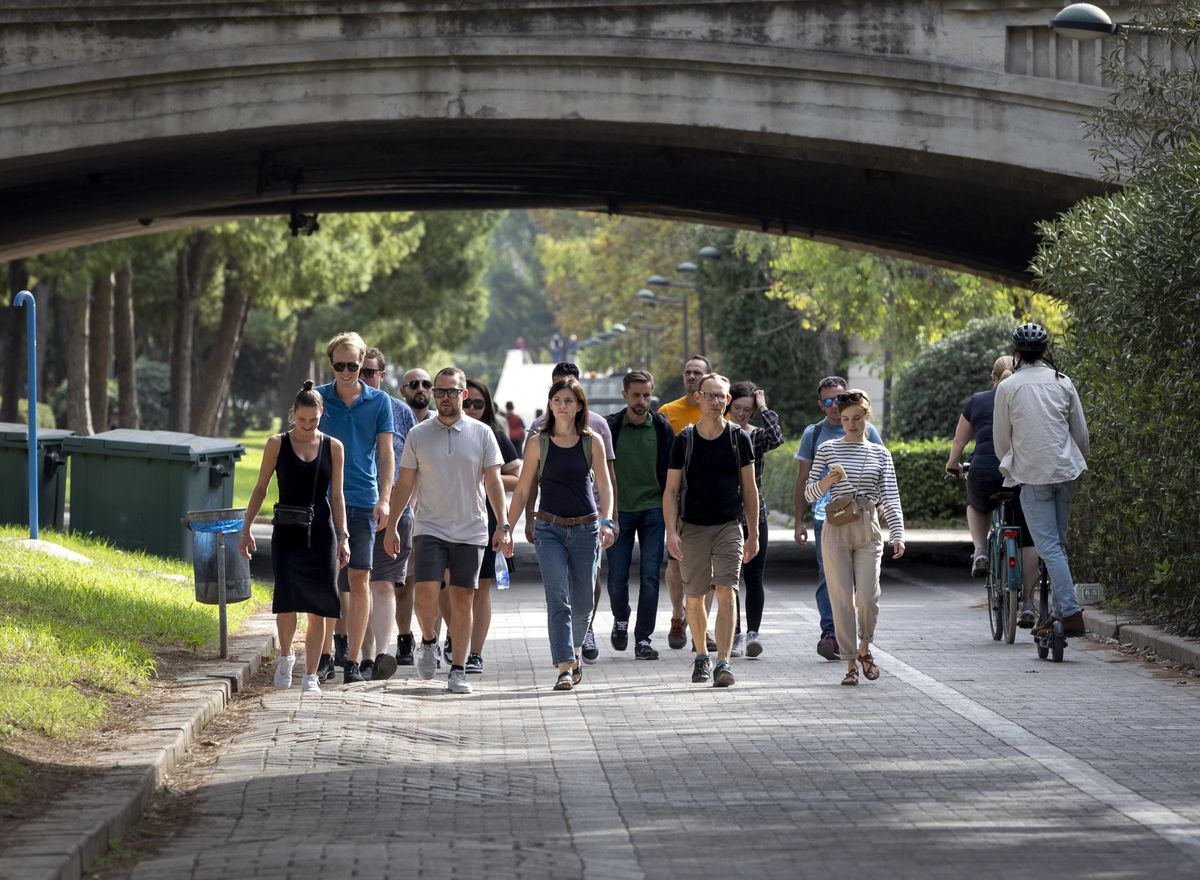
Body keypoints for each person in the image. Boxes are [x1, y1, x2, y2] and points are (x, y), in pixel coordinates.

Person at [384, 367, 511, 695]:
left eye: (452, 392)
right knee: (425, 592)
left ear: (463, 394)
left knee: (462, 597)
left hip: (471, 528)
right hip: (430, 526)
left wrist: (505, 525)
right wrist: (393, 525)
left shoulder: (482, 433)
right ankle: (428, 641)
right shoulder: (419, 434)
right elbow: (405, 483)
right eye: (440, 391)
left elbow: (494, 481)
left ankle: (458, 668)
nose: (444, 397)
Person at [240, 382, 349, 695]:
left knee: (318, 607)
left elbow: (338, 496)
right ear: (293, 414)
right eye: (302, 420)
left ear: (321, 414)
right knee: (286, 600)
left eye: (313, 420)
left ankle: (311, 674)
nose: (308, 426)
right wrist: (246, 527)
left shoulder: (334, 447)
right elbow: (260, 488)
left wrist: (344, 536)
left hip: (322, 533)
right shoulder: (277, 444)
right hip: (287, 531)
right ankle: (287, 655)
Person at [508, 377, 616, 691]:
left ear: (580, 405)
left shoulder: (591, 440)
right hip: (549, 527)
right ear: (550, 404)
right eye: (557, 400)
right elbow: (524, 488)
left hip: (586, 528)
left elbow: (605, 486)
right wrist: (506, 527)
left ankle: (576, 650)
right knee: (558, 600)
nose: (563, 406)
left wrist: (607, 521)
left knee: (583, 604)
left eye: (569, 400)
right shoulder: (537, 442)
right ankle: (565, 666)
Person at [993, 323, 1089, 638]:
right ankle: (1059, 613)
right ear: (1045, 352)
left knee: (1049, 547)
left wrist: (1012, 467)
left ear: (1016, 354)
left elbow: (1001, 441)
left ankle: (1070, 613)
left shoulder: (1008, 388)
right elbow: (1081, 435)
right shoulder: (1064, 382)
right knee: (1057, 546)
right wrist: (1077, 464)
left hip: (1032, 475)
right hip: (1065, 471)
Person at [663, 372, 758, 689]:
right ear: (699, 398)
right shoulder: (684, 440)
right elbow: (671, 490)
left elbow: (750, 490)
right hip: (691, 527)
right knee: (694, 597)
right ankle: (702, 655)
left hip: (729, 525)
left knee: (727, 590)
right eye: (711, 395)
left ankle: (724, 662)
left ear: (728, 400)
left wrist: (753, 533)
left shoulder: (738, 438)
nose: (717, 402)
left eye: (722, 396)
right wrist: (671, 532)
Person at [805, 389, 904, 686]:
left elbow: (890, 496)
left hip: (868, 527)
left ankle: (865, 647)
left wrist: (898, 534)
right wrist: (826, 481)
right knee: (841, 598)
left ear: (867, 417)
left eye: (857, 418)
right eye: (846, 418)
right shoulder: (828, 449)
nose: (851, 424)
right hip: (836, 527)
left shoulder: (880, 453)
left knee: (868, 597)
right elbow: (810, 493)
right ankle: (849, 663)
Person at [317, 332, 394, 685]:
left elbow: (386, 454)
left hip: (363, 499)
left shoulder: (380, 402)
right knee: (327, 577)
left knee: (360, 577)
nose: (347, 372)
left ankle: (353, 662)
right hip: (324, 499)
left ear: (363, 363)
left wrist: (385, 498)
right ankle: (325, 654)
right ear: (331, 363)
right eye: (340, 365)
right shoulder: (318, 398)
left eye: (353, 365)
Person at [946, 356, 1041, 627]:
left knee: (976, 505)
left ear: (993, 377)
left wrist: (953, 464)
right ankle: (1028, 604)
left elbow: (959, 440)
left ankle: (980, 551)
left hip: (984, 470)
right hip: (1020, 473)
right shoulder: (1028, 400)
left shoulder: (977, 401)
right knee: (1028, 538)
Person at [793, 376, 883, 661]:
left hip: (862, 519)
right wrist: (799, 522)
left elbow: (883, 469)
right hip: (827, 517)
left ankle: (860, 638)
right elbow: (803, 480)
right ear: (822, 405)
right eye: (829, 401)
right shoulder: (815, 434)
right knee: (829, 578)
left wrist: (882, 508)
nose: (836, 405)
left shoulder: (870, 432)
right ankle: (830, 634)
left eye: (840, 398)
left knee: (864, 585)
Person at [352, 347, 418, 680]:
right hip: (354, 507)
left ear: (382, 374)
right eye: (357, 371)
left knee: (384, 584)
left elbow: (411, 461)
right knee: (356, 584)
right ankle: (361, 656)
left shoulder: (400, 411)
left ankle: (381, 654)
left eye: (369, 372)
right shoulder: (341, 406)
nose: (363, 377)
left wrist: (407, 505)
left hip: (395, 510)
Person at [605, 369, 675, 660]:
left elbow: (673, 473)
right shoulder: (610, 427)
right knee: (617, 576)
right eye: (636, 395)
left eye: (647, 395)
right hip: (620, 512)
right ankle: (621, 619)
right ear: (624, 395)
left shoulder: (661, 427)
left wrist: (674, 515)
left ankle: (643, 638)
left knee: (650, 576)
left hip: (653, 511)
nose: (642, 401)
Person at [455, 378, 522, 674]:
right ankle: (454, 637)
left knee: (481, 589)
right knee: (449, 587)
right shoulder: (441, 430)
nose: (471, 409)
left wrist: (485, 477)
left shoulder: (493, 434)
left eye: (478, 404)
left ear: (487, 406)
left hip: (487, 520)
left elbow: (517, 479)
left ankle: (476, 653)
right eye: (467, 402)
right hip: (448, 518)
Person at [655, 355, 713, 651]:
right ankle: (678, 618)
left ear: (707, 378)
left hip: (713, 499)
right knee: (677, 562)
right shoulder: (668, 412)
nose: (691, 377)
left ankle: (703, 627)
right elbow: (662, 459)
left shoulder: (719, 411)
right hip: (679, 499)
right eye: (688, 372)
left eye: (697, 373)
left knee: (711, 567)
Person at [726, 381, 785, 658]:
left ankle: (753, 634)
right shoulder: (721, 435)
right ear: (728, 406)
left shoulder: (756, 436)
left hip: (754, 512)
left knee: (754, 576)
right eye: (737, 408)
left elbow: (777, 437)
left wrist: (763, 406)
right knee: (730, 578)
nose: (741, 414)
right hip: (726, 513)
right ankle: (735, 634)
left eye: (747, 410)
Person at [394, 367, 434, 665]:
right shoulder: (392, 421)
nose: (420, 388)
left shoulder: (440, 424)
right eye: (413, 384)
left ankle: (432, 639)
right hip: (402, 513)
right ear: (402, 391)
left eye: (425, 384)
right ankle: (405, 637)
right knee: (404, 582)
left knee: (434, 583)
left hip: (434, 515)